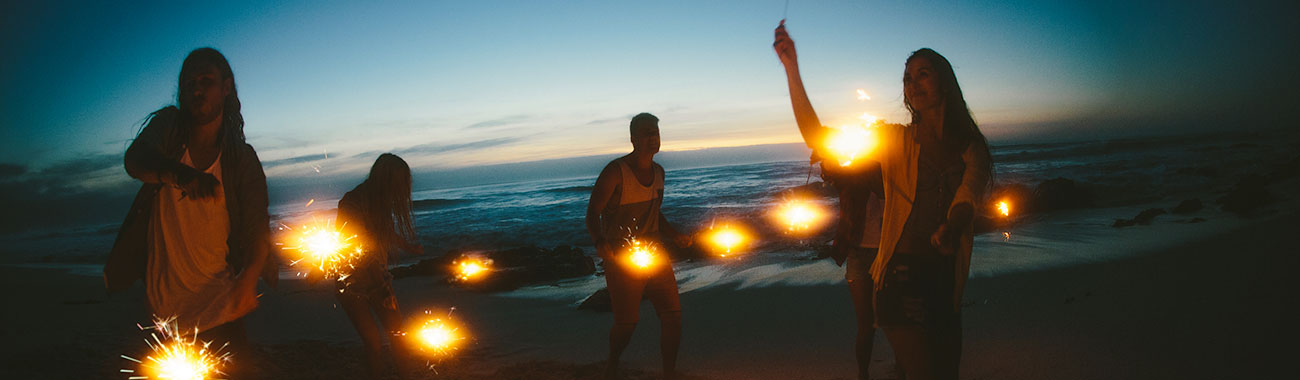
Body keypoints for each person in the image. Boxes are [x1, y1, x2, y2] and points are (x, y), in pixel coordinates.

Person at [775, 22, 993, 380]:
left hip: (945, 279)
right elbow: (817, 136)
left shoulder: (971, 146)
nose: (913, 82)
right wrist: (792, 68)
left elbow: (968, 195)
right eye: (908, 78)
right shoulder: (895, 141)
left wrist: (951, 227)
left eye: (924, 74)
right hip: (899, 276)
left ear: (945, 81)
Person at [105, 47, 275, 374]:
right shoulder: (169, 128)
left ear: (226, 88)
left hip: (220, 306)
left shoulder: (241, 159)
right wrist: (182, 176)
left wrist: (250, 275)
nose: (196, 89)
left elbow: (257, 225)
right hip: (164, 313)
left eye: (206, 81)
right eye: (189, 82)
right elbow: (135, 161)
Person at [586, 113, 693, 380]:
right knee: (627, 323)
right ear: (633, 138)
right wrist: (600, 242)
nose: (652, 137)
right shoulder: (615, 172)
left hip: (655, 255)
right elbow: (592, 212)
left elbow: (656, 213)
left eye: (655, 132)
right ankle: (612, 365)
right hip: (622, 259)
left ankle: (669, 373)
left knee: (673, 317)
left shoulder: (659, 173)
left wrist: (675, 234)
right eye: (646, 132)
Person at [334, 153, 424, 378]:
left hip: (378, 278)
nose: (402, 190)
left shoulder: (379, 202)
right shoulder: (352, 203)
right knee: (373, 341)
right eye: (399, 182)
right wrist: (382, 285)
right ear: (386, 179)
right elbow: (359, 247)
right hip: (351, 283)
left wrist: (408, 246)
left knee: (398, 335)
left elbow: (384, 232)